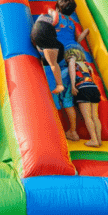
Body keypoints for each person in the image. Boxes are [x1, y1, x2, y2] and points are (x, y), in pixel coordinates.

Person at [31, 10, 79, 141]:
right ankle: (72, 131)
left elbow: (53, 65)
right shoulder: (53, 42)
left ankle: (58, 134)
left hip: (56, 77)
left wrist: (58, 84)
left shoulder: (48, 46)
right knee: (67, 103)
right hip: (66, 74)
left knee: (54, 104)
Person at [67, 48, 102, 147]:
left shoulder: (73, 60)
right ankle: (99, 140)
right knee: (95, 117)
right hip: (94, 88)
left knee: (87, 117)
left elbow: (72, 71)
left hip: (83, 88)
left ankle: (94, 140)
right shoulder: (87, 65)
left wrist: (73, 85)